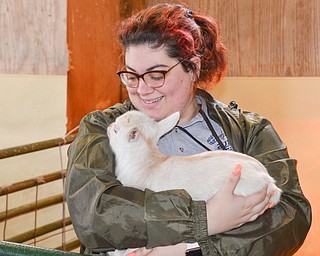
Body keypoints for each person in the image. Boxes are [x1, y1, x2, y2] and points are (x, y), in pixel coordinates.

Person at [65, 3, 311, 256]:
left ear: (192, 67)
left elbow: (291, 215)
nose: (142, 89)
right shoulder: (104, 128)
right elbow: (94, 214)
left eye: (156, 75)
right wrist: (204, 217)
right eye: (131, 76)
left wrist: (189, 249)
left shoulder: (249, 130)